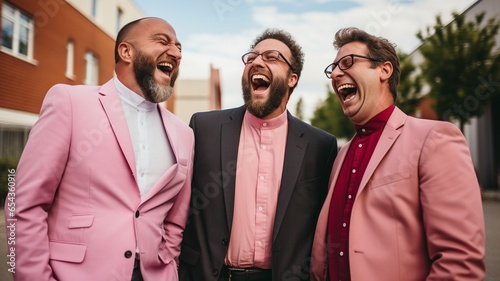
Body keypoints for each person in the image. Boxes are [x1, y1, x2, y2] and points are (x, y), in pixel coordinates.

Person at [5, 17, 194, 281]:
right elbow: (23, 203)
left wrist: (169, 266)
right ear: (126, 51)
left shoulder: (185, 134)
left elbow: (175, 220)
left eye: (179, 48)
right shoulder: (70, 102)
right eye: (163, 41)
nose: (176, 53)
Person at [310, 27, 486, 281]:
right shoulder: (341, 155)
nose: (336, 74)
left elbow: (459, 262)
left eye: (347, 62)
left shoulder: (435, 138)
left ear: (385, 70)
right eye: (333, 69)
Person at [178, 29, 337, 281]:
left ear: (292, 78)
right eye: (251, 57)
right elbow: (179, 209)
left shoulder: (320, 146)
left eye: (271, 57)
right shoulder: (203, 128)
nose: (257, 62)